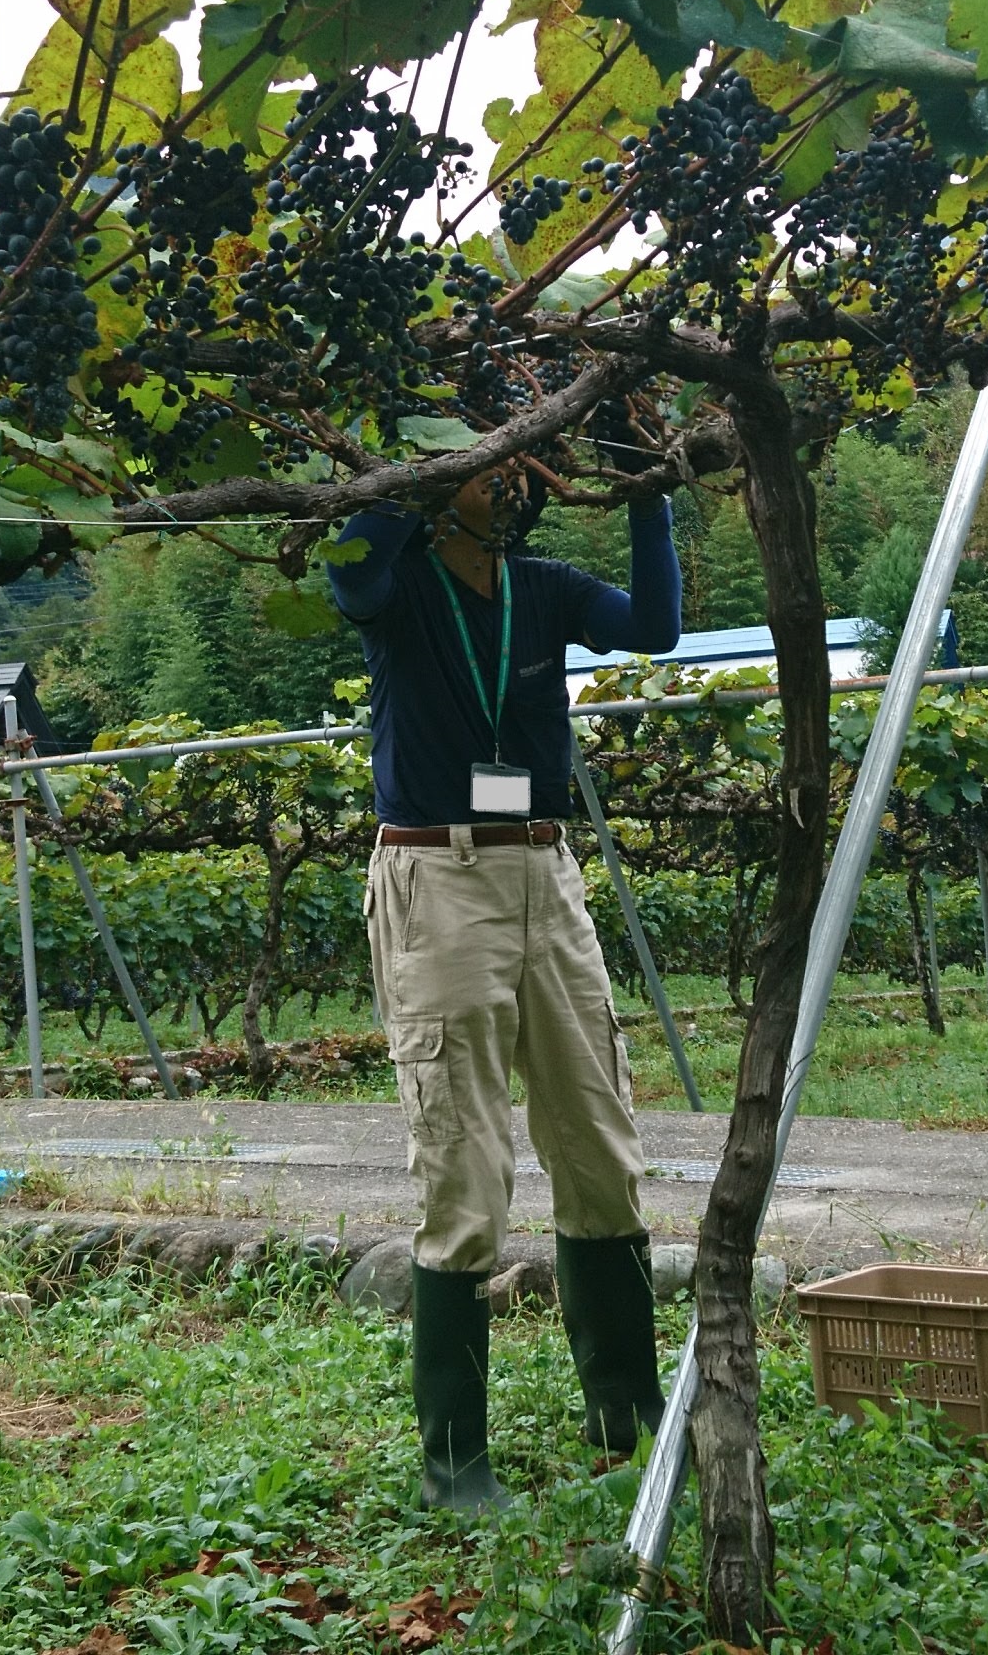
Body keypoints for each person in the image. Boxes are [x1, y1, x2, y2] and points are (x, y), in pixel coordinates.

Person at [328, 447, 685, 1510]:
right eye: (490, 463)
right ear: (441, 484)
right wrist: (411, 471)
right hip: (439, 876)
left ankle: (627, 1408)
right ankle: (454, 1461)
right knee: (462, 1159)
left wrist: (649, 491)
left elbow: (654, 627)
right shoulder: (396, 586)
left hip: (543, 868)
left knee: (597, 1136)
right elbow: (353, 575)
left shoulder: (542, 588)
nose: (516, 478)